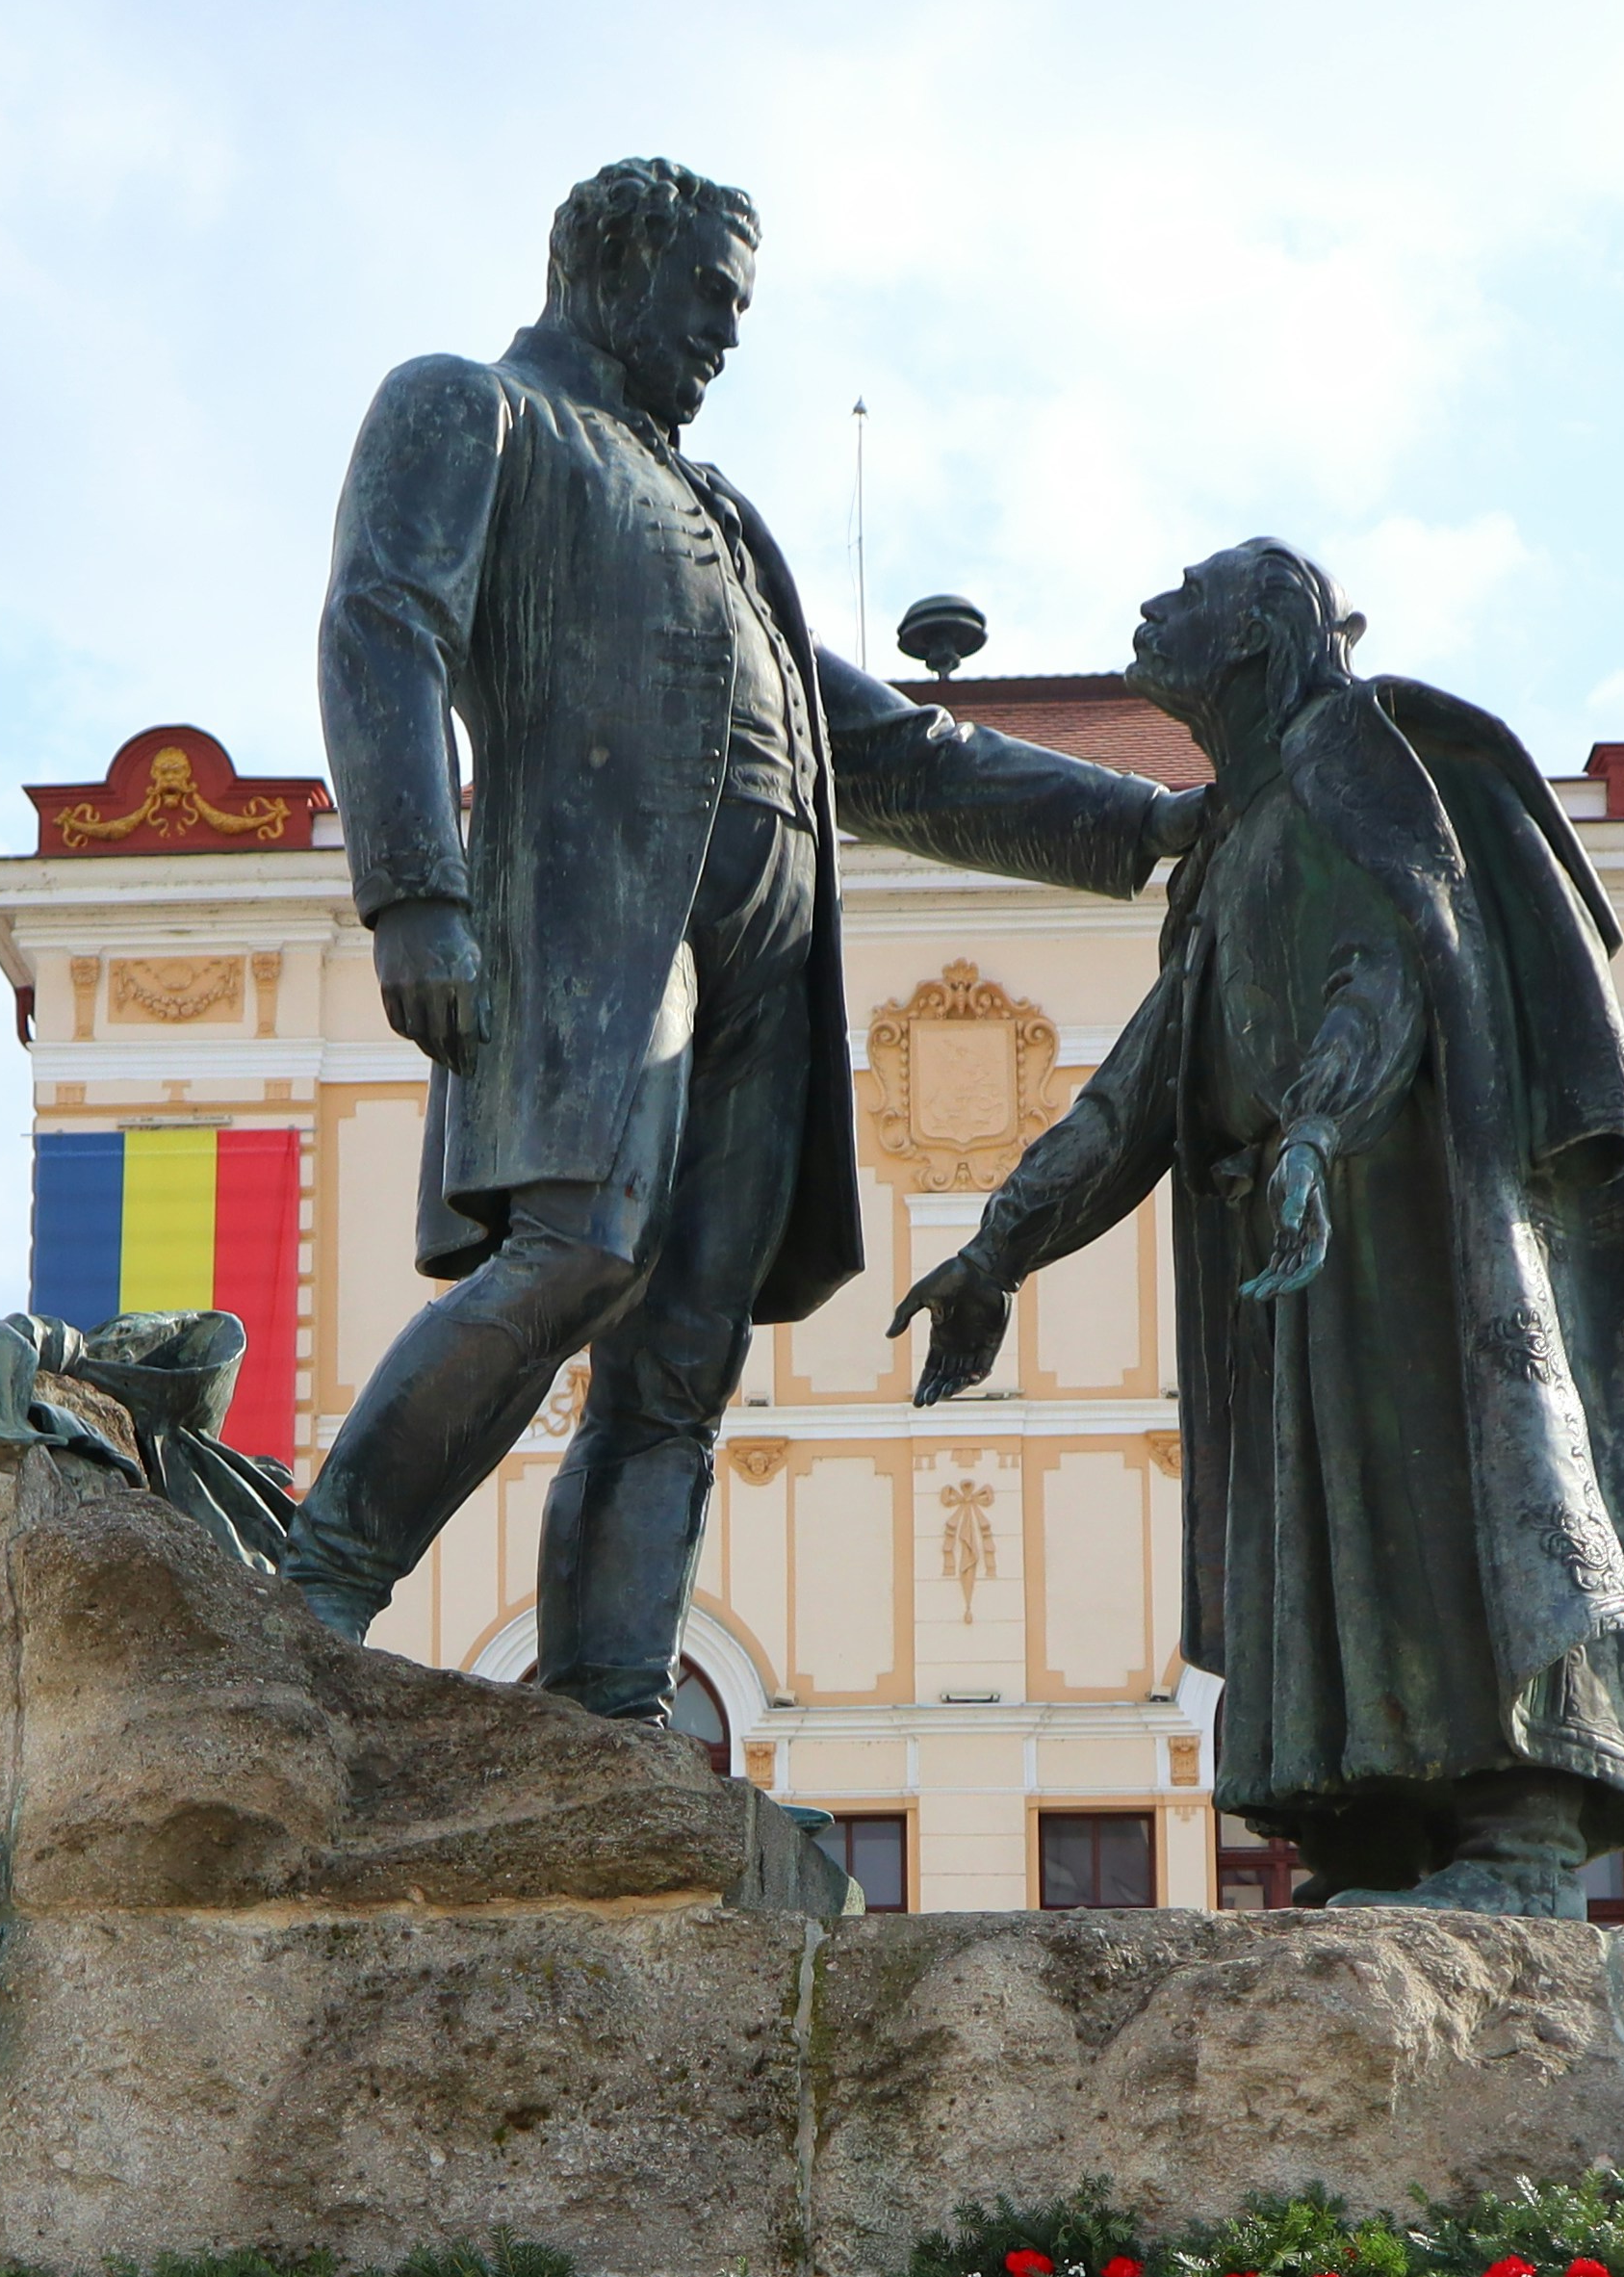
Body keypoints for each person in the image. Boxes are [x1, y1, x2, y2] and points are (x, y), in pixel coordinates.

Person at [294, 155, 1196, 1716]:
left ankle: (610, 1709)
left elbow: (901, 755)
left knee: (682, 1368)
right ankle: (317, 1583)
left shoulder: (721, 511)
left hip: (760, 986)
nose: (727, 332)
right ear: (616, 266)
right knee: (575, 1251)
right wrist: (415, 892)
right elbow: (382, 624)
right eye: (712, 291)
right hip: (591, 941)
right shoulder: (473, 407)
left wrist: (1143, 826)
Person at [888, 541, 1624, 1912]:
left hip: (1405, 1224)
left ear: (1250, 636)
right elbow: (1137, 1090)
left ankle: (1519, 1834)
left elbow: (1399, 964)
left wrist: (1315, 1127)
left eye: (1185, 594)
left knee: (1451, 1497)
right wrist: (1000, 1247)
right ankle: (1364, 1831)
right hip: (1294, 1253)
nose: (1152, 604)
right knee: (1328, 1535)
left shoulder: (1359, 767)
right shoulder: (1233, 836)